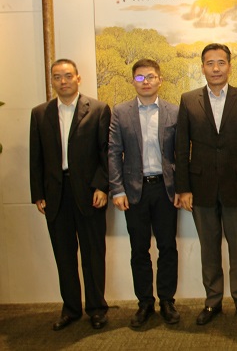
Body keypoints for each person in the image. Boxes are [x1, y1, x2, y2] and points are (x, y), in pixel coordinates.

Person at [175, 43, 237, 325]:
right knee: (209, 249)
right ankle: (212, 302)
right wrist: (183, 188)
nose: (216, 68)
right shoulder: (189, 100)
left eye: (221, 62)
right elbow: (181, 147)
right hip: (200, 187)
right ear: (202, 67)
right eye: (210, 63)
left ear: (229, 67)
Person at [29, 59, 110, 331]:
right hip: (56, 194)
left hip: (89, 193)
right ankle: (71, 309)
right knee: (64, 255)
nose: (62, 81)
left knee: (93, 254)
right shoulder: (40, 114)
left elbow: (105, 153)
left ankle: (97, 309)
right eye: (57, 77)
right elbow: (36, 158)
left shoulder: (97, 109)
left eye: (67, 76)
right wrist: (38, 193)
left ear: (78, 78)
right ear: (52, 81)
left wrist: (102, 186)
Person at [108, 59, 180, 328]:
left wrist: (182, 188)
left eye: (150, 76)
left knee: (167, 247)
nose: (145, 81)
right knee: (139, 249)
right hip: (134, 191)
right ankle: (145, 303)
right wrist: (117, 189)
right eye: (140, 77)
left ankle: (167, 301)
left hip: (165, 189)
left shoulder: (173, 111)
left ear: (160, 80)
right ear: (133, 81)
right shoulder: (121, 112)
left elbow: (181, 153)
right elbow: (114, 152)